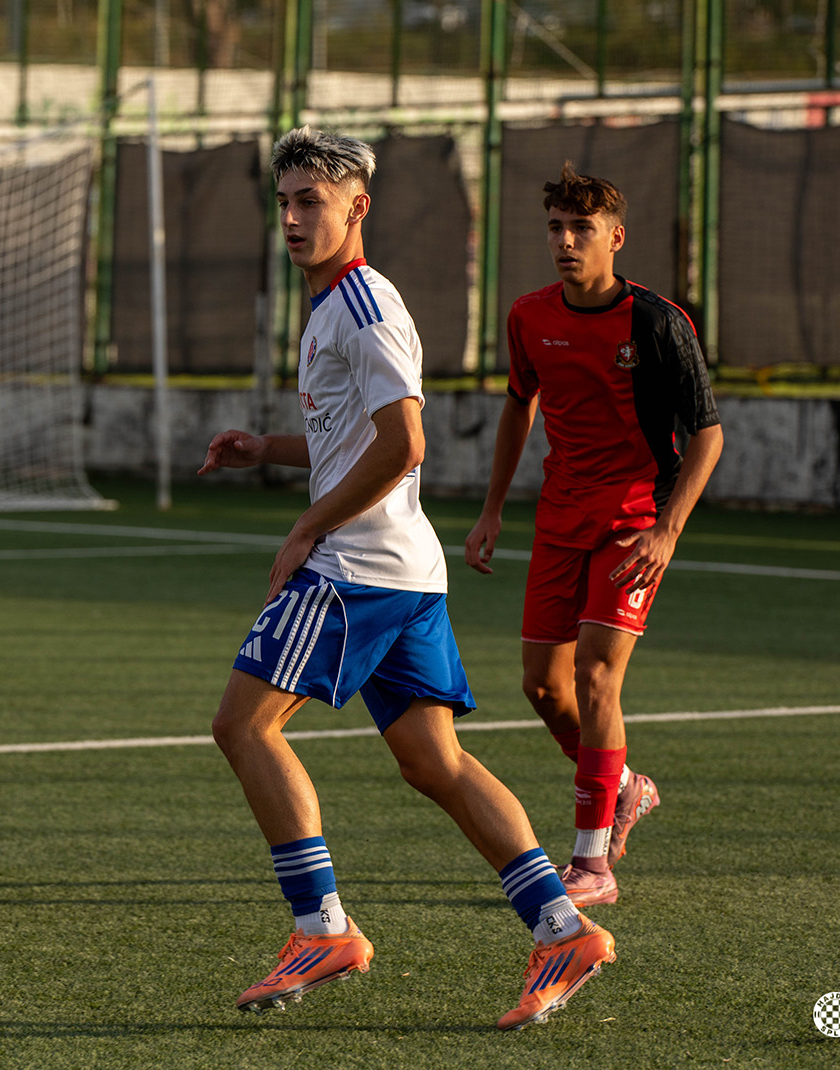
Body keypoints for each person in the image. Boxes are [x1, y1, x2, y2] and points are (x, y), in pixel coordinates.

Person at [199, 128, 615, 1031]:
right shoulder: (331, 307)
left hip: (356, 567)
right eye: (284, 202)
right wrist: (267, 451)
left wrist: (307, 528)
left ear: (359, 208)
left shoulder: (361, 307)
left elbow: (406, 443)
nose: (294, 218)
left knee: (243, 725)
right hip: (403, 569)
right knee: (433, 761)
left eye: (312, 201)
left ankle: (321, 928)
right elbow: (358, 435)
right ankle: (561, 927)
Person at [465, 162, 723, 908]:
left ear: (615, 238)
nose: (565, 241)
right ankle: (627, 788)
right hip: (558, 518)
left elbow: (705, 435)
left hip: (633, 520)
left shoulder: (656, 321)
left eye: (580, 229)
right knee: (542, 687)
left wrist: (666, 528)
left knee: (597, 679)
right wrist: (491, 511)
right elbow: (519, 407)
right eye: (555, 227)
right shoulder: (526, 317)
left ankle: (590, 865)